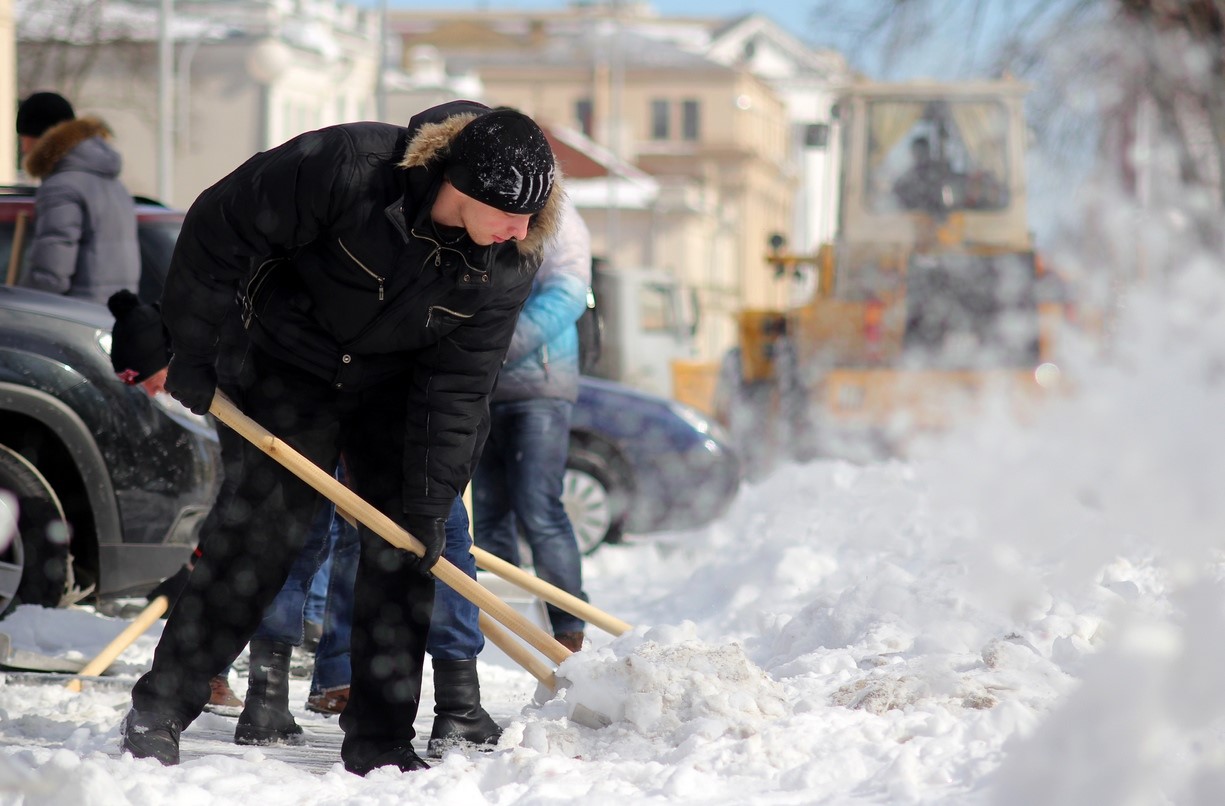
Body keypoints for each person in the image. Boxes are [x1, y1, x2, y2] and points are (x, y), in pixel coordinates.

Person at [118, 100, 563, 776]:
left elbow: (459, 388)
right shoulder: (347, 168)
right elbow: (220, 229)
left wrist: (430, 498)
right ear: (462, 186)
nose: (520, 230)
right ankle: (160, 708)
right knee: (257, 539)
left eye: (531, 217)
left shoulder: (505, 261)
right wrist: (195, 351)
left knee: (405, 548)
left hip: (393, 388)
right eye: (508, 213)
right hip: (284, 363)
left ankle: (381, 742)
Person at [109, 288, 354, 732]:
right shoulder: (212, 367)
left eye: (147, 378)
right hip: (292, 448)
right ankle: (258, 692)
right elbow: (241, 481)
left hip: (312, 414)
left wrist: (211, 543)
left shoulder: (222, 358)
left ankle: (287, 688)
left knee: (307, 543)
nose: (151, 391)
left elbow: (242, 482)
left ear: (165, 355)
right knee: (290, 549)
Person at [472, 197, 591, 653]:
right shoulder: (482, 207)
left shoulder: (560, 215)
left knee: (540, 509)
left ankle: (568, 630)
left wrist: (498, 345)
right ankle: (504, 627)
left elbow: (568, 292)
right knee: (489, 514)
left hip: (541, 386)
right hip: (484, 387)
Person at [16, 91, 140, 304]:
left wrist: (17, 305)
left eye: (22, 137)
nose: (23, 148)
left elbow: (50, 276)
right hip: (113, 318)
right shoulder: (114, 184)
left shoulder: (61, 188)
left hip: (74, 320)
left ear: (36, 137)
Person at [892, 135, 951, 212]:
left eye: (922, 151)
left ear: (928, 152)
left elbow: (947, 200)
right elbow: (896, 192)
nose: (920, 155)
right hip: (913, 218)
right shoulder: (906, 179)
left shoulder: (939, 174)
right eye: (917, 151)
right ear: (913, 153)